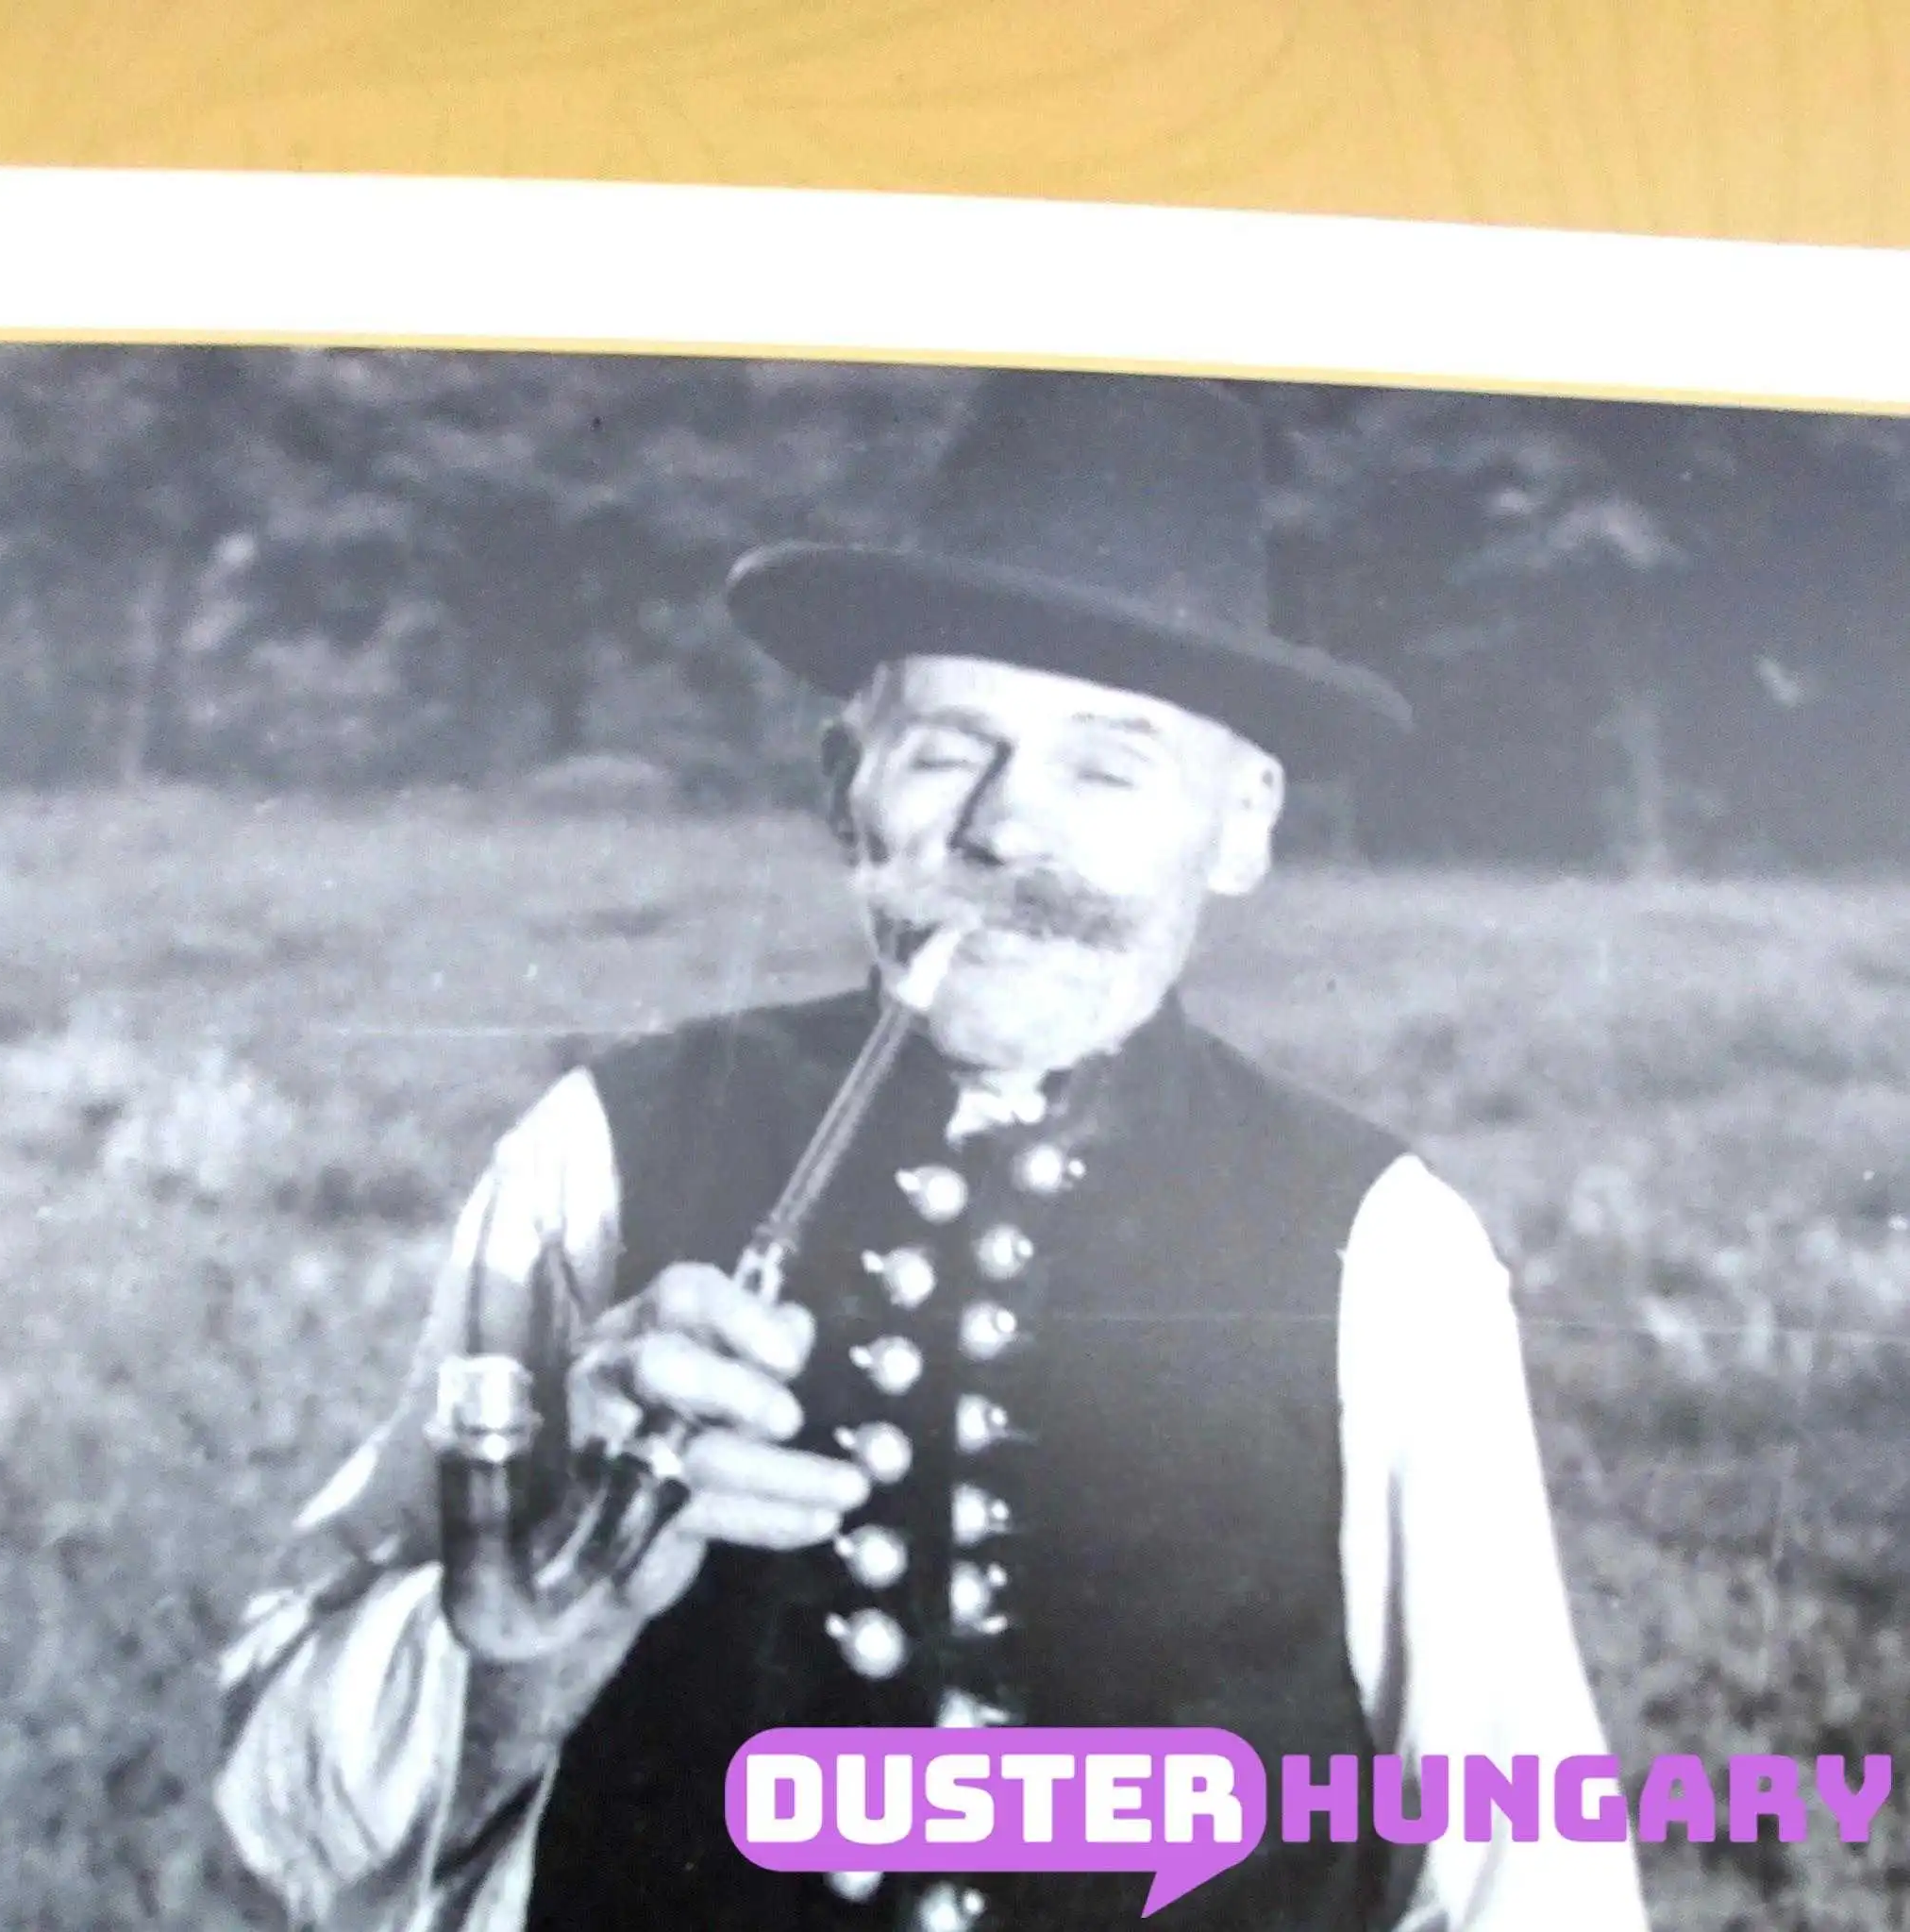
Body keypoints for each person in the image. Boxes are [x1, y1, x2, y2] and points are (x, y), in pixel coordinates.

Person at [213, 372, 1651, 1931]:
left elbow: (1522, 1854)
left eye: (1109, 765)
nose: (1011, 830)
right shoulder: (597, 1155)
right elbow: (297, 1817)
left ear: (1241, 823)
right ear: (844, 790)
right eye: (949, 748)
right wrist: (541, 1619)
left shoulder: (1387, 1246)